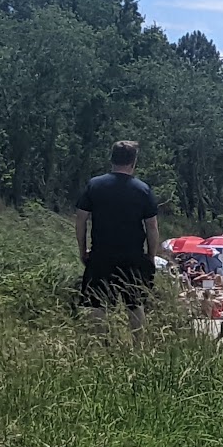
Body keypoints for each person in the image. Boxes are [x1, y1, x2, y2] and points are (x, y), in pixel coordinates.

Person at [75, 140, 159, 336]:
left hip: (101, 254)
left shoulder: (94, 185)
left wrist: (83, 250)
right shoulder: (143, 190)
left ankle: (99, 347)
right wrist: (151, 255)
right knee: (135, 304)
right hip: (132, 256)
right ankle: (139, 350)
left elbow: (81, 220)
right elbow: (152, 226)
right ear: (133, 161)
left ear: (111, 158)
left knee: (97, 304)